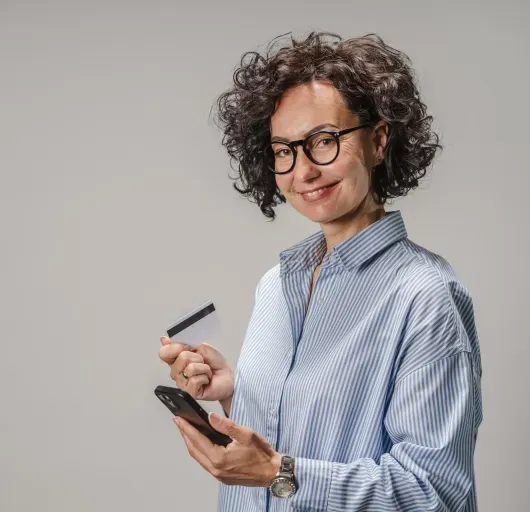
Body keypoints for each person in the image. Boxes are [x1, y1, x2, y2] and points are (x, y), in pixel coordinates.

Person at [158, 31, 482, 512]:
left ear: (377, 140)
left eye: (323, 141)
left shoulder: (425, 295)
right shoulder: (277, 284)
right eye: (284, 150)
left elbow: (434, 495)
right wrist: (236, 398)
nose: (302, 170)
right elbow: (293, 444)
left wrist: (278, 474)